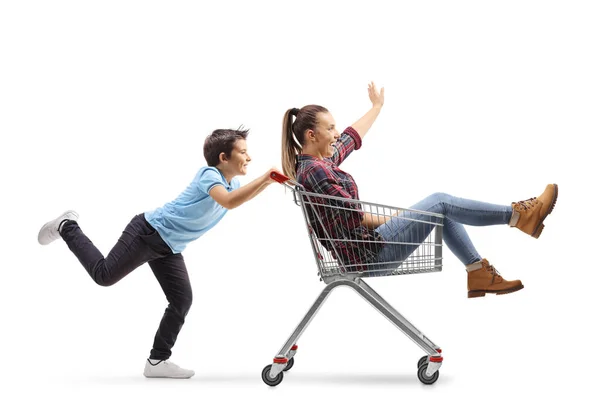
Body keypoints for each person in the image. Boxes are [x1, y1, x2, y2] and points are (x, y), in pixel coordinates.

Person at [38, 128, 280, 378]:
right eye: (243, 152)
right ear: (223, 158)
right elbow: (229, 201)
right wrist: (264, 179)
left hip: (169, 247)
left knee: (181, 300)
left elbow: (238, 198)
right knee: (104, 276)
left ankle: (156, 361)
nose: (249, 157)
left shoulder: (233, 184)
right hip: (148, 232)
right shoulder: (209, 174)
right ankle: (67, 226)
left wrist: (269, 181)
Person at [280, 82, 558, 298]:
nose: (337, 132)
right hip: (369, 255)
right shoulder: (315, 171)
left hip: (365, 249)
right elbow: (358, 217)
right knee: (439, 203)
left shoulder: (319, 162)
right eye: (331, 128)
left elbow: (350, 139)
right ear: (311, 135)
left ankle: (477, 272)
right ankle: (519, 217)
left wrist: (376, 107)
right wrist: (410, 215)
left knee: (441, 209)